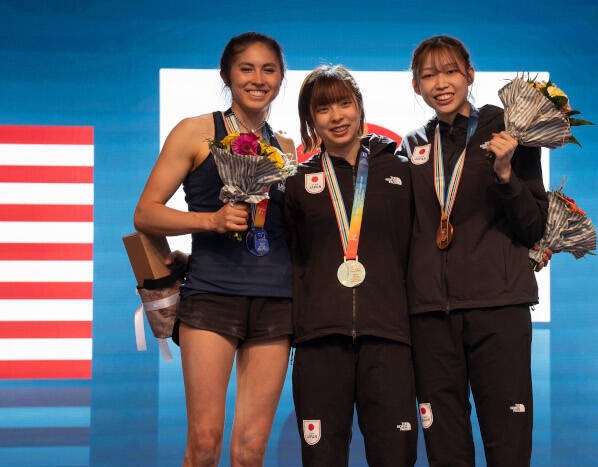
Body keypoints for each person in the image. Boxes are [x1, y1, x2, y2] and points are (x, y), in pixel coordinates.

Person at [134, 32, 295, 467]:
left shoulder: (286, 147)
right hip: (212, 296)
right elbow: (145, 213)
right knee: (204, 445)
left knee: (251, 450)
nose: (258, 79)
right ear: (227, 75)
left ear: (280, 78)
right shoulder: (195, 131)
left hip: (276, 301)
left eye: (269, 70)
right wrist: (211, 221)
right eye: (247, 69)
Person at [396, 35, 549, 466]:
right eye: (429, 75)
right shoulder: (412, 145)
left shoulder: (510, 129)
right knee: (445, 450)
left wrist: (505, 174)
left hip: (497, 307)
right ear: (416, 85)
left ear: (470, 74)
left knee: (508, 447)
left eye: (450, 71)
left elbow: (533, 226)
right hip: (431, 315)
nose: (441, 83)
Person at [284, 65, 417, 466]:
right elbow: (287, 259)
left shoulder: (402, 171)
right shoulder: (296, 183)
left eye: (344, 103)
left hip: (389, 338)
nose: (337, 116)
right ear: (310, 119)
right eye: (323, 108)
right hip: (320, 342)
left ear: (359, 106)